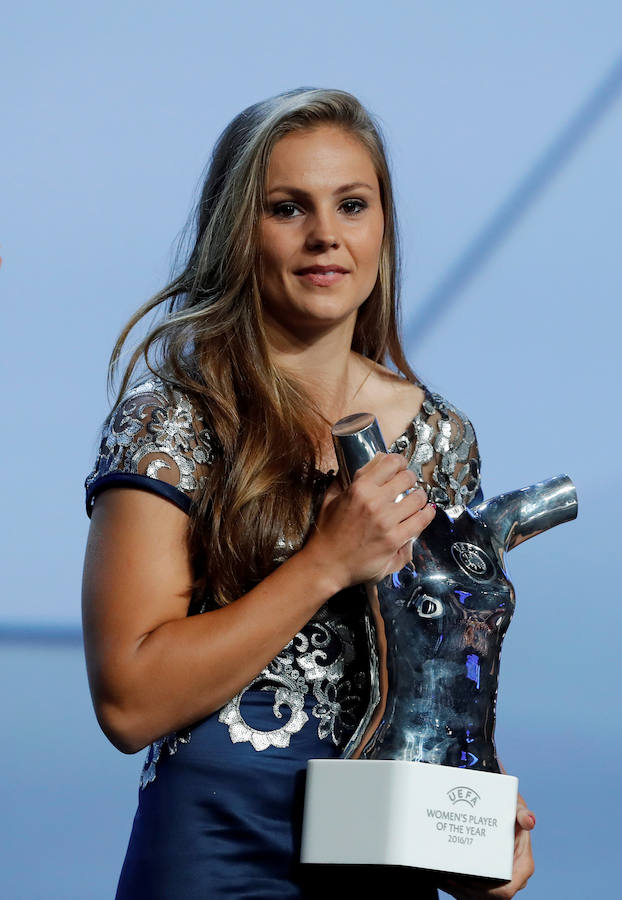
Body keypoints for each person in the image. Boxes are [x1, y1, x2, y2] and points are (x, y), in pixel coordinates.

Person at [82, 87, 535, 899]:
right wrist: (327, 561)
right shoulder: (176, 420)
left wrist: (482, 819)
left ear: (382, 228)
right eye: (288, 207)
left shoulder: (441, 437)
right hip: (214, 852)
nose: (326, 234)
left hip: (377, 852)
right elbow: (129, 700)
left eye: (352, 205)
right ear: (237, 233)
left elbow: (442, 685)